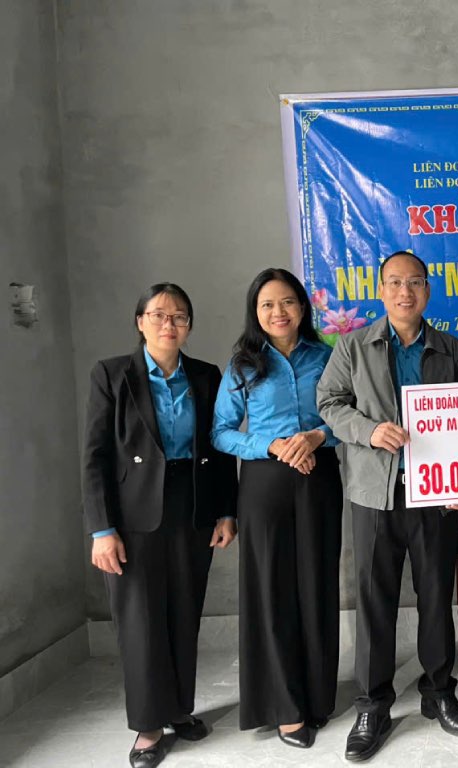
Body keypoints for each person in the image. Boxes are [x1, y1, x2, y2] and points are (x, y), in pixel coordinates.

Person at [317, 251, 458, 762]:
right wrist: (368, 431)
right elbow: (329, 403)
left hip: (436, 493)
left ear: (427, 290)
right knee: (374, 599)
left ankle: (439, 692)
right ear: (381, 290)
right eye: (394, 283)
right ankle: (373, 705)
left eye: (414, 282)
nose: (404, 292)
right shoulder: (352, 346)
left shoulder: (453, 349)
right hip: (373, 493)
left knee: (435, 594)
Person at [82, 283, 238, 768]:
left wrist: (226, 510)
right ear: (140, 321)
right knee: (140, 622)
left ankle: (178, 710)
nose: (169, 324)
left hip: (191, 507)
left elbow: (218, 448)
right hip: (131, 516)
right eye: (158, 315)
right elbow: (95, 456)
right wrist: (101, 529)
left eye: (179, 316)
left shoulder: (206, 375)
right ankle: (148, 726)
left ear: (189, 325)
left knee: (183, 612)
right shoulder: (112, 374)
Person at [212, 268, 342, 749]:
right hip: (264, 483)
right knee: (272, 590)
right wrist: (271, 445)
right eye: (267, 304)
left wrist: (317, 437)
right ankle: (285, 708)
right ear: (256, 312)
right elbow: (221, 432)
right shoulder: (244, 364)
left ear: (302, 307)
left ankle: (317, 697)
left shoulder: (327, 358)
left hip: (319, 477)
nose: (278, 312)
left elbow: (347, 413)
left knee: (317, 584)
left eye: (287, 302)